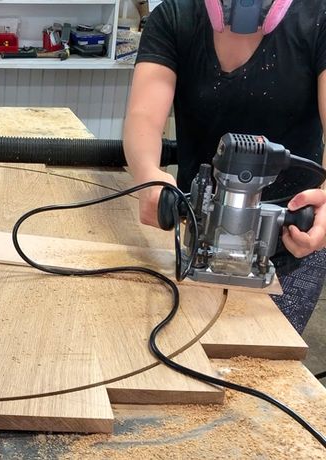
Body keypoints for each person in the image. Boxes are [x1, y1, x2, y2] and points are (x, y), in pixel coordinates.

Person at [123, 0, 326, 333]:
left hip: (294, 239)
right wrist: (149, 175)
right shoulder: (176, 17)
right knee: (179, 347)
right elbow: (144, 116)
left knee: (262, 365)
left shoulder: (318, 19)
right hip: (197, 238)